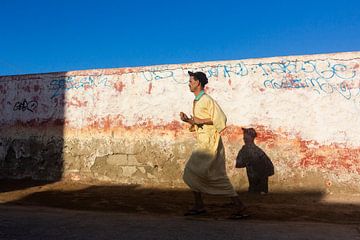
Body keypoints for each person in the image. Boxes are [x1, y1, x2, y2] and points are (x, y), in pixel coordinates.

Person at [180, 71, 247, 218]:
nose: (189, 83)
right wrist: (188, 120)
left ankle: (237, 206)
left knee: (195, 172)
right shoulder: (197, 100)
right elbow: (199, 122)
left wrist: (201, 121)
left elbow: (220, 119)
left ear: (198, 82)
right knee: (198, 173)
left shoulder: (206, 100)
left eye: (191, 81)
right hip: (204, 141)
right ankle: (201, 206)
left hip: (209, 143)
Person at [235, 128, 274, 194]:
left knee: (255, 192)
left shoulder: (247, 149)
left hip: (258, 177)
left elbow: (239, 164)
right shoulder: (257, 150)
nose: (244, 138)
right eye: (244, 136)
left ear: (251, 137)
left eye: (245, 136)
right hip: (261, 177)